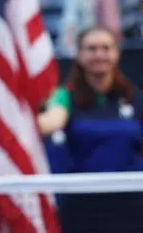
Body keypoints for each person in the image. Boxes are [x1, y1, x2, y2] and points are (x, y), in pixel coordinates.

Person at [37, 25, 143, 232]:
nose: (99, 54)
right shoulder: (64, 96)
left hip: (133, 206)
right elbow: (50, 123)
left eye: (106, 48)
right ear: (79, 54)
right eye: (92, 49)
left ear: (117, 53)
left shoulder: (135, 98)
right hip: (82, 207)